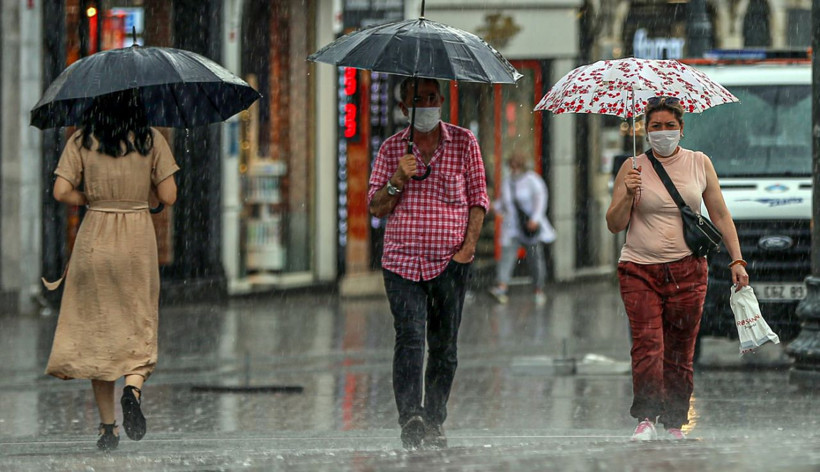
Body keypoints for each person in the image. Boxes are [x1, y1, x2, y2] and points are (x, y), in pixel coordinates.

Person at [606, 96, 749, 441]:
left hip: (688, 271)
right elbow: (614, 224)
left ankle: (674, 422)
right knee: (648, 346)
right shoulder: (632, 167)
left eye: (670, 125)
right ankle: (645, 418)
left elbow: (720, 214)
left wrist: (737, 259)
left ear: (682, 129)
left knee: (680, 350)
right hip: (640, 270)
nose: (663, 132)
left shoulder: (700, 163)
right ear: (646, 130)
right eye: (656, 126)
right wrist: (627, 194)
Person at [44, 92, 179, 451]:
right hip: (136, 242)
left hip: (95, 241)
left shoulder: (82, 139)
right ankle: (132, 389)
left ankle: (108, 429)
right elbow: (169, 195)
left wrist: (90, 198)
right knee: (139, 322)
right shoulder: (151, 139)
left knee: (99, 336)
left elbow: (60, 190)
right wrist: (145, 192)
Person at [367, 77, 489, 449]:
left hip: (449, 263)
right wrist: (397, 178)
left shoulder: (464, 143)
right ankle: (411, 416)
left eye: (433, 98)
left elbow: (478, 200)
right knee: (409, 338)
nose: (428, 105)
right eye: (419, 100)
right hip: (401, 263)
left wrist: (466, 250)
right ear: (404, 108)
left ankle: (434, 417)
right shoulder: (391, 149)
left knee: (444, 347)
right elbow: (376, 207)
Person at [488, 151, 556, 306]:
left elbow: (541, 199)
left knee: (535, 258)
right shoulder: (507, 182)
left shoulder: (532, 180)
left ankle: (538, 288)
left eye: (516, 165)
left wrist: (535, 219)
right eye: (511, 166)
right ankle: (502, 286)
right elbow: (504, 204)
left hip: (529, 227)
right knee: (507, 256)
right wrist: (492, 207)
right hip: (512, 227)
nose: (514, 169)